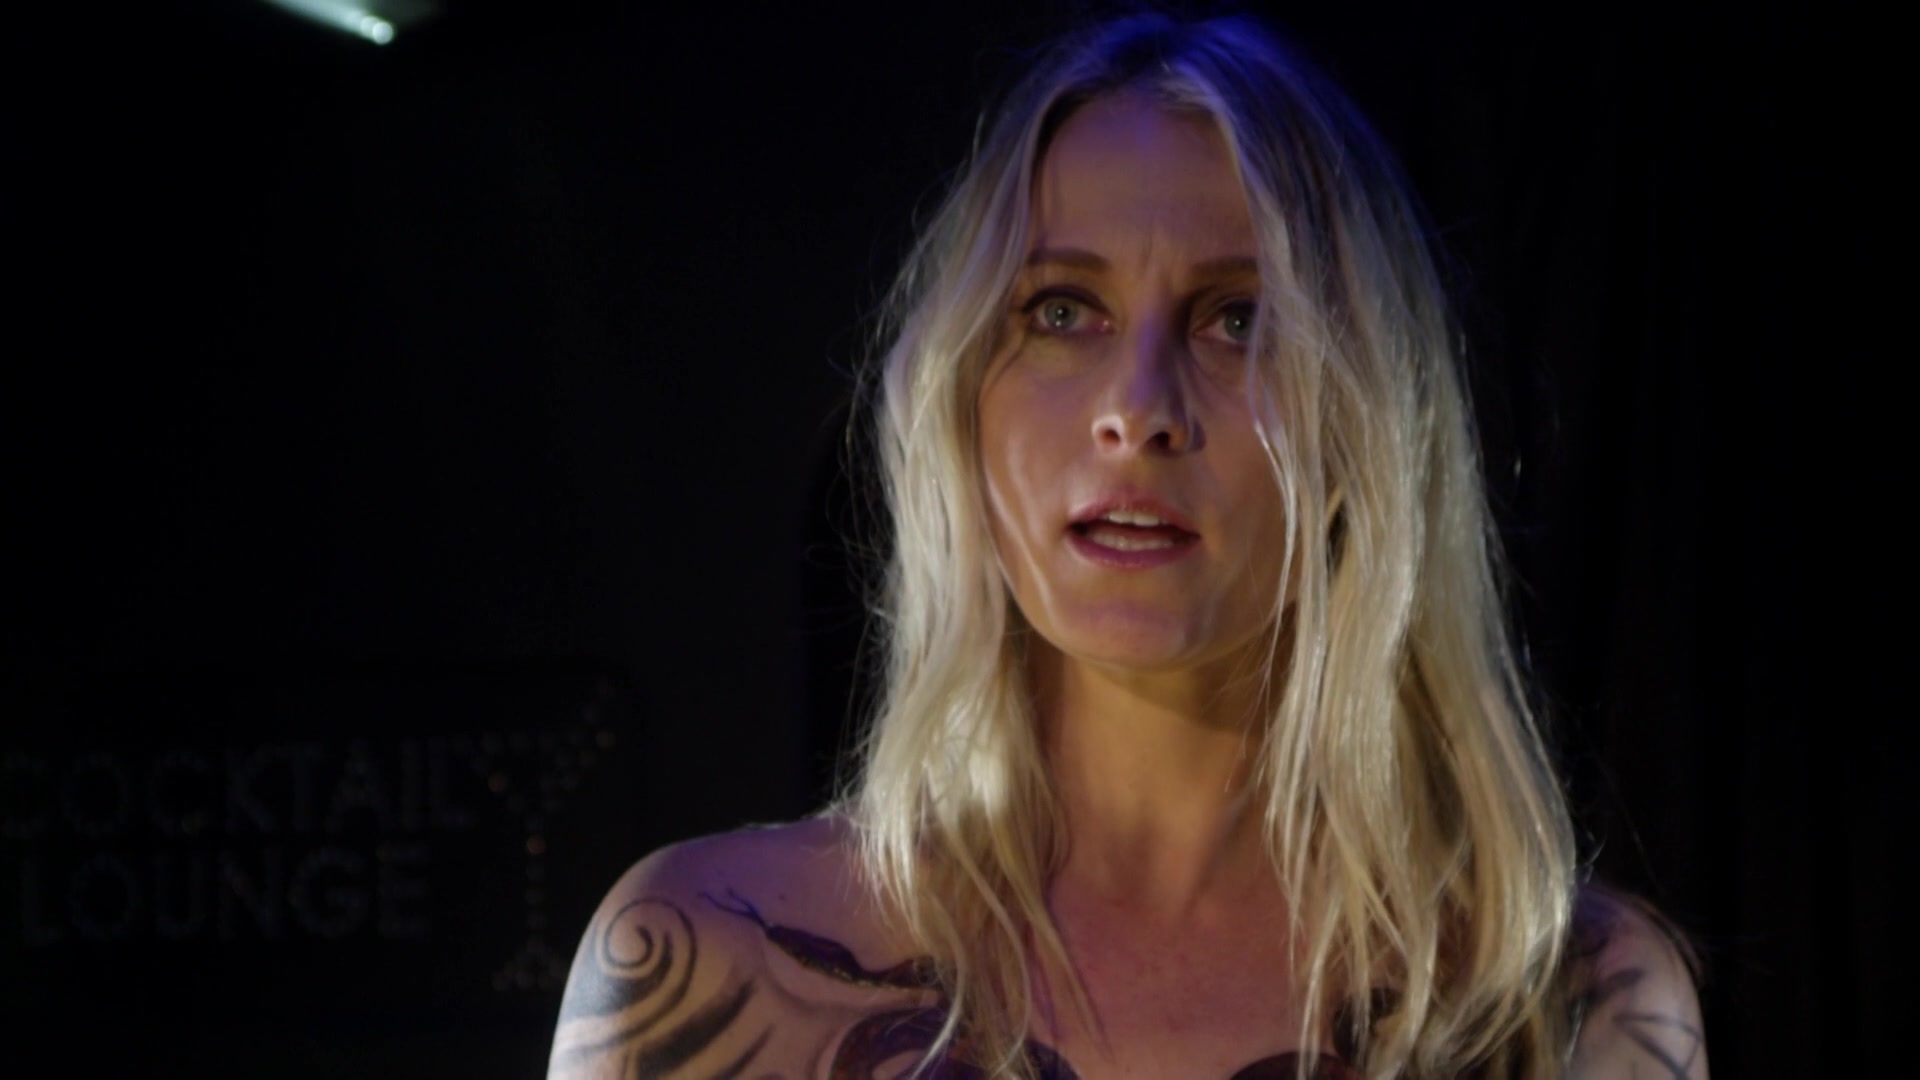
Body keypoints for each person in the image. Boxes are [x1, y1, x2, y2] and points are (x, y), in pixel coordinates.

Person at [545, 12, 1706, 1079]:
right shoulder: (707, 958)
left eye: (1240, 320)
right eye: (1062, 311)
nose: (1138, 408)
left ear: (1368, 425)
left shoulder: (1571, 1003)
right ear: (957, 396)